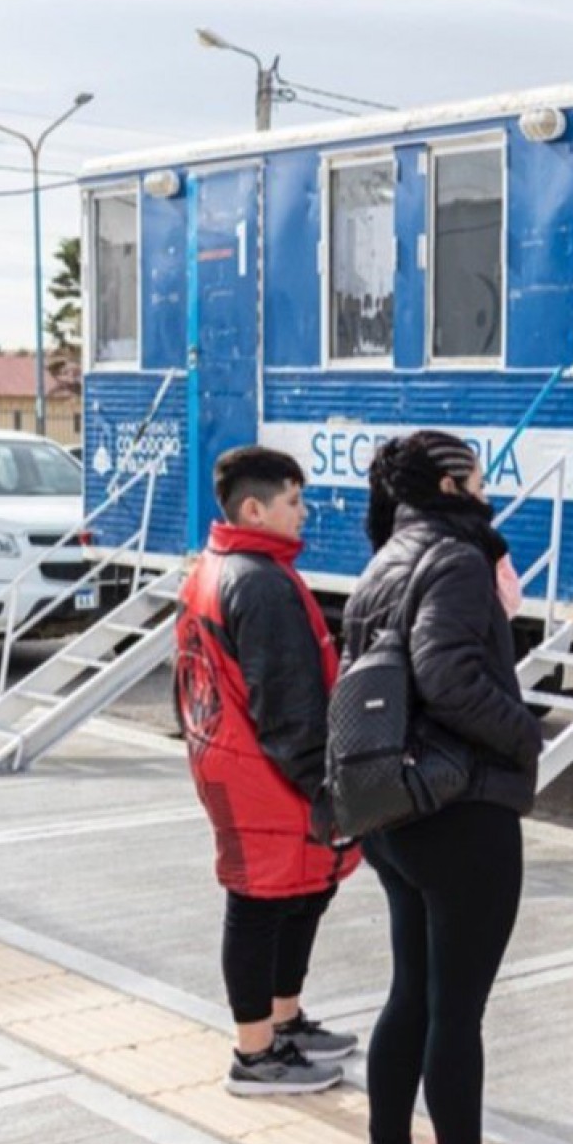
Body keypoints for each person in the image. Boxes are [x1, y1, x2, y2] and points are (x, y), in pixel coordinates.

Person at [339, 431, 544, 1144]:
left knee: (413, 999)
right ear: (452, 486)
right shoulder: (456, 558)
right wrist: (524, 733)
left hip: (393, 808)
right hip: (459, 809)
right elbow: (447, 675)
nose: (490, 488)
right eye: (480, 477)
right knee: (456, 1015)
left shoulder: (385, 559)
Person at [174, 445, 360, 1096]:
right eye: (294, 501)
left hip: (232, 760)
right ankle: (254, 1055)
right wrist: (325, 785)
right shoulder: (258, 581)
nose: (305, 513)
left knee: (301, 892)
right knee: (258, 904)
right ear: (255, 507)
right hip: (263, 773)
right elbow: (287, 703)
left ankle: (283, 1022)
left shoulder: (219, 566)